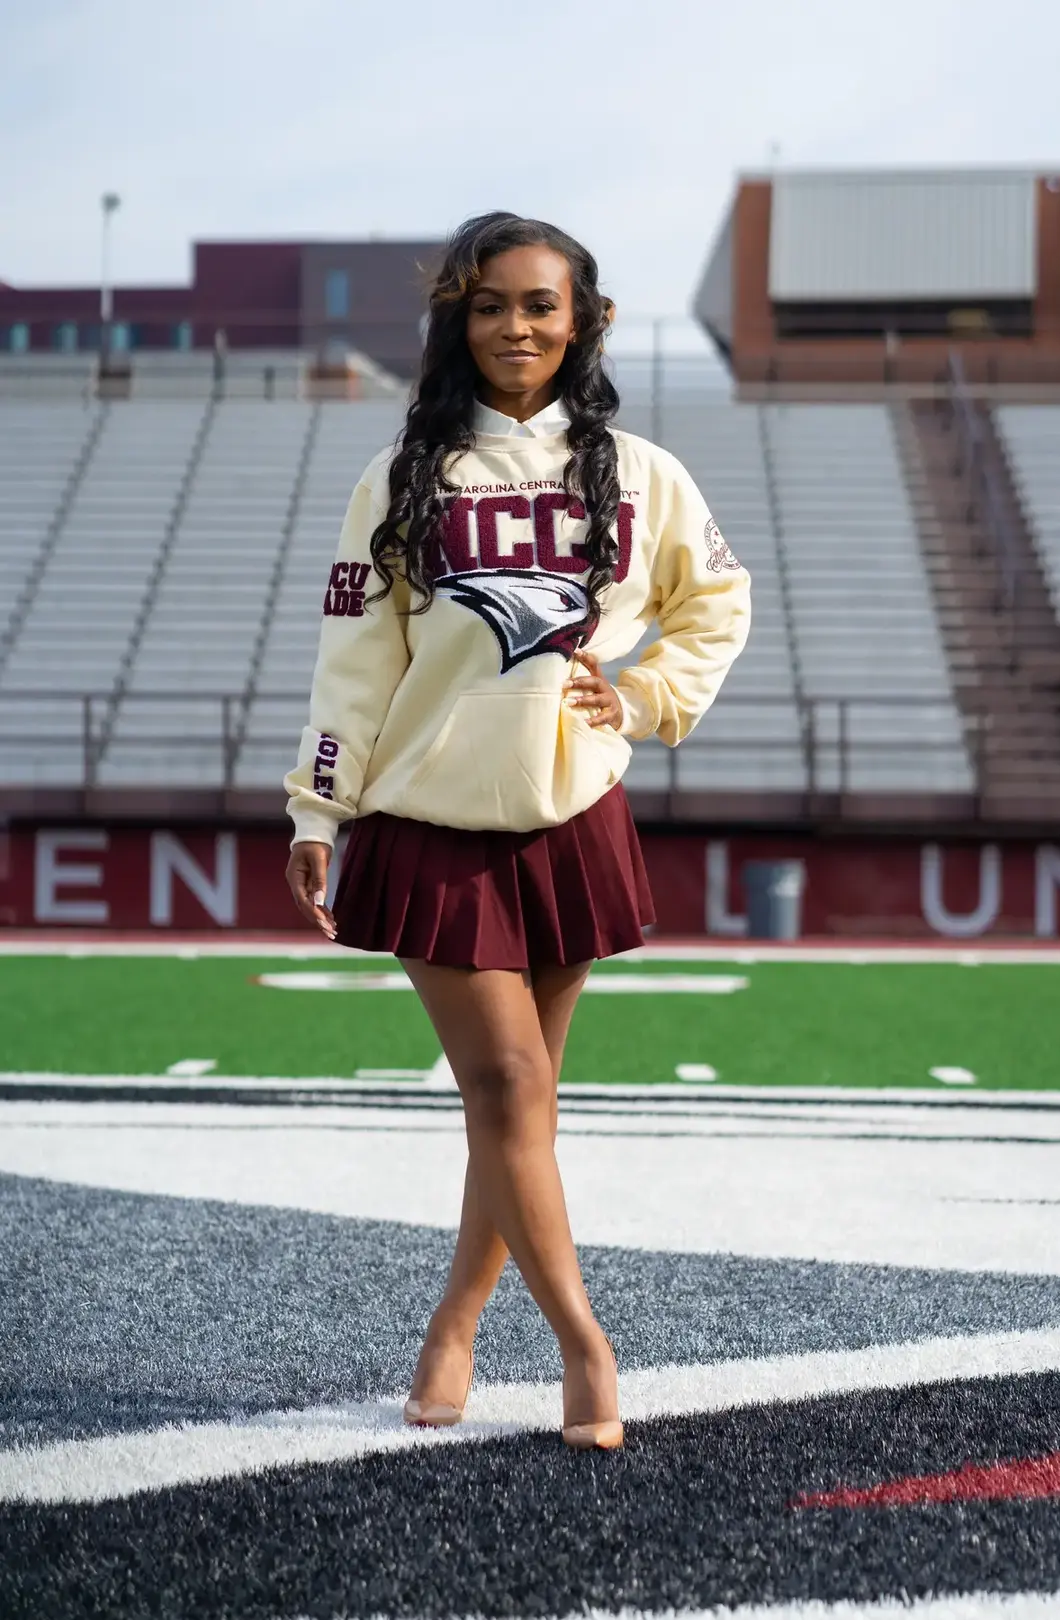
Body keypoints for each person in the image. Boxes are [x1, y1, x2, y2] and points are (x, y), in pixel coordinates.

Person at [285, 211, 751, 1450]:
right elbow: (353, 658)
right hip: (429, 815)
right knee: (504, 1084)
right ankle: (587, 1349)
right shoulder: (398, 478)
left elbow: (717, 603)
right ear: (458, 319)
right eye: (489, 306)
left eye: (540, 305)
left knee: (521, 1110)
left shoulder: (645, 474)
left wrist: (645, 695)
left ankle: (452, 1323)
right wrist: (318, 805)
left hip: (572, 811)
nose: (515, 328)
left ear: (585, 320)